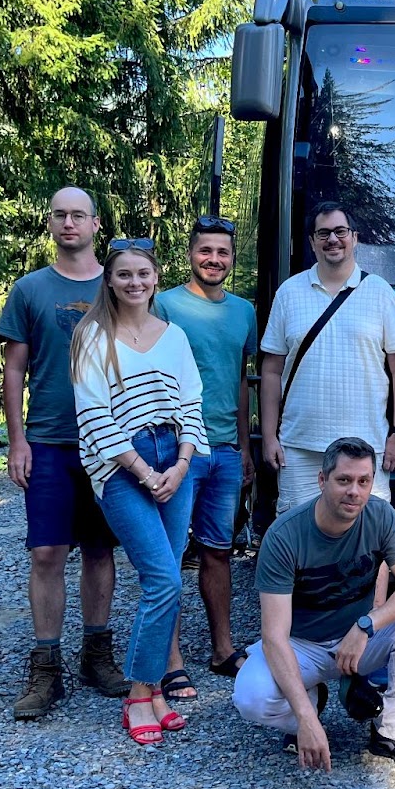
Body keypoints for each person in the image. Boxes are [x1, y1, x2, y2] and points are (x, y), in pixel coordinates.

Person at [0, 187, 129, 721]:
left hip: (111, 441)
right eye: (60, 215)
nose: (69, 223)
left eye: (79, 215)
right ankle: (45, 666)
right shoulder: (30, 289)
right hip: (50, 440)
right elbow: (13, 370)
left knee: (101, 550)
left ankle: (96, 653)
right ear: (49, 222)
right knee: (47, 553)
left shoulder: (121, 282)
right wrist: (17, 441)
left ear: (97, 224)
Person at [71, 239, 209, 745]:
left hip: (175, 456)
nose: (135, 283)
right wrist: (146, 475)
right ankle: (137, 694)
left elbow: (193, 402)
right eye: (124, 274)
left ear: (155, 278)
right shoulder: (92, 337)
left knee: (169, 578)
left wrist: (181, 464)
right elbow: (93, 416)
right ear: (109, 280)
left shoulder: (173, 336)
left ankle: (152, 691)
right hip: (121, 465)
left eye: (143, 274)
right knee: (163, 581)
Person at [232, 437, 395, 772]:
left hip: (358, 639)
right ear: (322, 480)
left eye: (363, 481)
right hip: (303, 645)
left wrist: (367, 624)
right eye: (343, 480)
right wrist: (306, 720)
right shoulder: (285, 536)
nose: (354, 492)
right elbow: (274, 636)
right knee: (250, 697)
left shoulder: (381, 515)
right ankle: (310, 704)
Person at [260, 202, 395, 513]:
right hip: (300, 447)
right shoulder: (288, 293)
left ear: (354, 238)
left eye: (340, 231)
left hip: (365, 445)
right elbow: (272, 370)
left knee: (369, 541)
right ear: (312, 241)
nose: (333, 239)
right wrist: (268, 436)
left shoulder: (381, 292)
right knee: (298, 540)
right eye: (324, 233)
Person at [157, 214, 258, 679]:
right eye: (205, 250)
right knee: (171, 553)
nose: (213, 259)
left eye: (222, 252)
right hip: (178, 447)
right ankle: (170, 657)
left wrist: (244, 445)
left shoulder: (244, 311)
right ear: (190, 254)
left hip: (225, 451)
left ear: (232, 259)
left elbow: (240, 379)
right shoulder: (164, 305)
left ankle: (222, 649)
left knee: (218, 550)